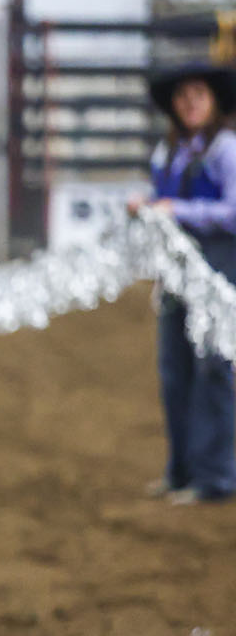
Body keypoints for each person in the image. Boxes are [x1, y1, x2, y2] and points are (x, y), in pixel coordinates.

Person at [129, 62, 236, 504]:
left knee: (213, 372)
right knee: (175, 371)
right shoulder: (168, 152)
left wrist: (177, 211)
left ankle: (215, 477)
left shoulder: (226, 150)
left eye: (198, 95)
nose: (190, 103)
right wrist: (146, 207)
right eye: (182, 96)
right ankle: (182, 470)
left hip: (217, 275)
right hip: (176, 276)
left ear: (212, 102)